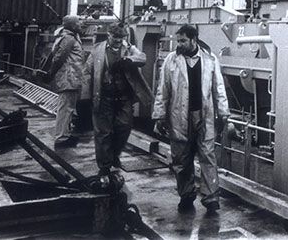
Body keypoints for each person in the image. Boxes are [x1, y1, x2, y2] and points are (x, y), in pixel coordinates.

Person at [153, 24, 229, 215]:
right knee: (181, 159)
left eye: (183, 41)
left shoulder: (210, 59)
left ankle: (211, 198)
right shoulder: (172, 60)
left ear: (193, 39)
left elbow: (218, 88)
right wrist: (160, 115)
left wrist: (223, 113)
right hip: (179, 116)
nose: (179, 44)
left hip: (204, 116)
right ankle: (186, 195)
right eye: (178, 40)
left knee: (208, 157)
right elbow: (163, 90)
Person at [81, 22, 151, 184]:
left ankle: (114, 155)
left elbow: (143, 58)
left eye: (122, 38)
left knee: (123, 128)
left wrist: (128, 59)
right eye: (116, 37)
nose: (119, 41)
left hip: (124, 98)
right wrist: (84, 98)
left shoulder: (128, 48)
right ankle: (104, 167)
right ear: (109, 36)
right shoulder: (97, 50)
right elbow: (87, 73)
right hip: (104, 97)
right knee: (103, 133)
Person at [50, 15, 84, 148]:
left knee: (68, 108)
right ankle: (61, 138)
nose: (80, 25)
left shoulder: (68, 36)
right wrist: (51, 73)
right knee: (65, 108)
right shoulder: (68, 39)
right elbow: (59, 57)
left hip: (71, 77)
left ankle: (65, 134)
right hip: (68, 77)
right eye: (78, 23)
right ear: (72, 25)